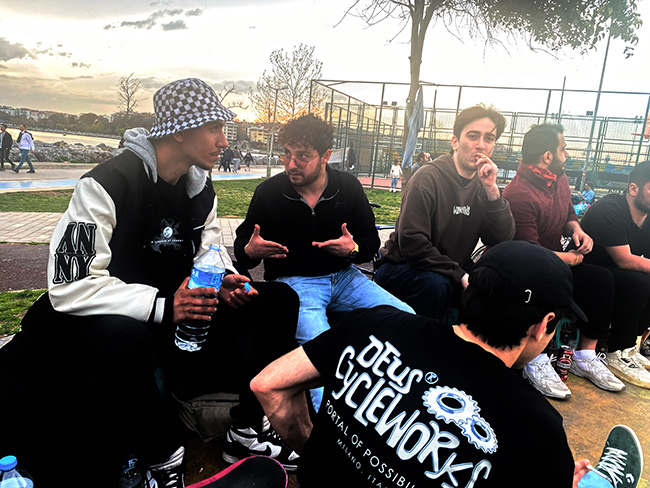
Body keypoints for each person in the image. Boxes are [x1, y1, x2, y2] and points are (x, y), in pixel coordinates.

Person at [0, 78, 300, 487]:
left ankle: (246, 429)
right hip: (106, 322)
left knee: (278, 299)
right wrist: (162, 306)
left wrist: (225, 280)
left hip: (175, 315)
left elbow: (208, 253)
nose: (224, 141)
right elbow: (70, 285)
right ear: (179, 131)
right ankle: (161, 459)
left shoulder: (200, 188)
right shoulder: (104, 184)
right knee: (126, 337)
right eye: (214, 128)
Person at [251, 241, 644, 488]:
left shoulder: (372, 323)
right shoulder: (537, 427)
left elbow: (268, 385)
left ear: (470, 290)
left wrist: (319, 452)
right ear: (544, 325)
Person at [234, 113, 414, 412]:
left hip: (345, 277)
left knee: (407, 318)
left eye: (302, 156)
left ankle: (398, 404)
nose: (291, 164)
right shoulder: (268, 193)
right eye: (287, 154)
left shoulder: (348, 186)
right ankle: (326, 428)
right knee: (320, 349)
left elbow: (370, 241)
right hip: (295, 282)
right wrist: (250, 251)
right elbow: (243, 246)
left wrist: (353, 249)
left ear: (326, 156)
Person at [503, 124, 627, 399]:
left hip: (554, 261)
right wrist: (571, 258)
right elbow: (530, 253)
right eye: (563, 149)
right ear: (547, 156)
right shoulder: (518, 194)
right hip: (527, 269)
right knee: (550, 285)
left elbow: (569, 214)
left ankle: (585, 355)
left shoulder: (558, 179)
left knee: (602, 280)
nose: (567, 154)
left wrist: (577, 231)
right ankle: (534, 358)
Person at [375, 104, 515, 319]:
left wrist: (492, 191)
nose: (481, 145)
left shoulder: (483, 185)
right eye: (473, 136)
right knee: (436, 284)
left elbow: (500, 238)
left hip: (448, 268)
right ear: (455, 142)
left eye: (489, 138)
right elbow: (412, 243)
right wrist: (458, 274)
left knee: (497, 285)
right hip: (401, 267)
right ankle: (417, 339)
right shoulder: (427, 178)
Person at [580, 160, 650, 388]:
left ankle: (628, 348)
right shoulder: (610, 208)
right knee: (638, 282)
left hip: (617, 278)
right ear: (633, 189)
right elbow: (624, 260)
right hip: (586, 274)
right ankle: (615, 351)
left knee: (642, 280)